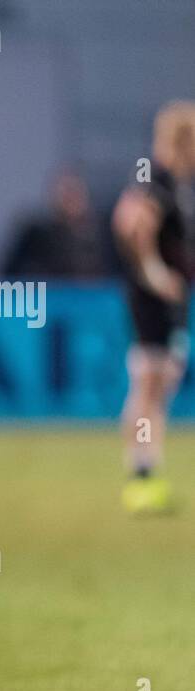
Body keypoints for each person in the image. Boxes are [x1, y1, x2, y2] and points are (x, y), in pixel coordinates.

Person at [112, 101, 195, 514]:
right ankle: (140, 476)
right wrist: (154, 273)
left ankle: (150, 472)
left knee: (161, 384)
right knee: (148, 385)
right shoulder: (156, 175)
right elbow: (129, 222)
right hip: (153, 301)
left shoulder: (177, 183)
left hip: (172, 303)